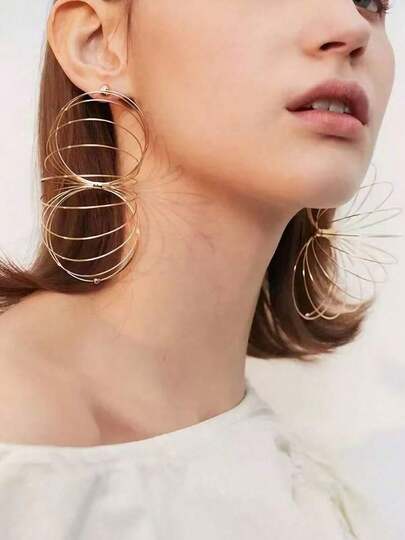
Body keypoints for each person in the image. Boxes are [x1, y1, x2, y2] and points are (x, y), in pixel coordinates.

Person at [0, 0, 399, 538]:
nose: (352, 27)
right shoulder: (20, 442)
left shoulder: (314, 491)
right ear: (96, 43)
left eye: (371, 2)